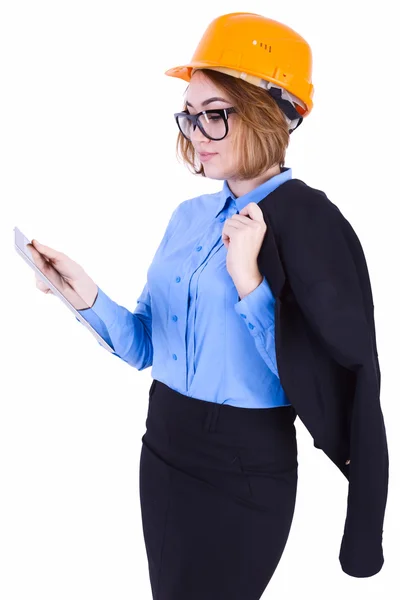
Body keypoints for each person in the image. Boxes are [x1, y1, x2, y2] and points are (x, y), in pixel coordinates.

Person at [26, 11, 385, 600]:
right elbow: (146, 347)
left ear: (275, 116)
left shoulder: (311, 224)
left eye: (214, 114)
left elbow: (315, 381)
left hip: (245, 467)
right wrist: (83, 294)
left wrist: (250, 281)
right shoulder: (187, 219)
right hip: (164, 446)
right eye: (189, 116)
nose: (196, 134)